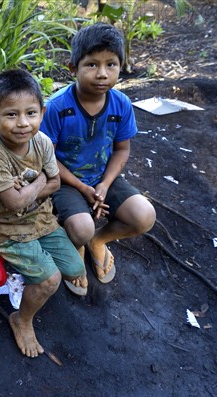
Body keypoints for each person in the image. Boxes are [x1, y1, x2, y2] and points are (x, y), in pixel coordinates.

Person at [0, 69, 86, 358]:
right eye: (11, 115)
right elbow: (14, 203)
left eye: (31, 113)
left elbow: (56, 182)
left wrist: (30, 190)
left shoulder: (43, 142)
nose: (23, 123)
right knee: (50, 280)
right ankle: (21, 319)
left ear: (42, 112)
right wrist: (39, 183)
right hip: (4, 229)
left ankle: (31, 272)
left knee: (75, 269)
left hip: (41, 221)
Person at [40, 22, 156, 295]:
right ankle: (78, 244)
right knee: (80, 228)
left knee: (144, 216)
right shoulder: (57, 107)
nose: (102, 74)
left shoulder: (121, 105)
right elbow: (47, 158)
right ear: (73, 68)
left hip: (103, 178)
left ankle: (98, 241)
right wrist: (82, 188)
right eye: (91, 65)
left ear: (121, 66)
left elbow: (121, 150)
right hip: (65, 181)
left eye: (111, 64)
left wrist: (104, 185)